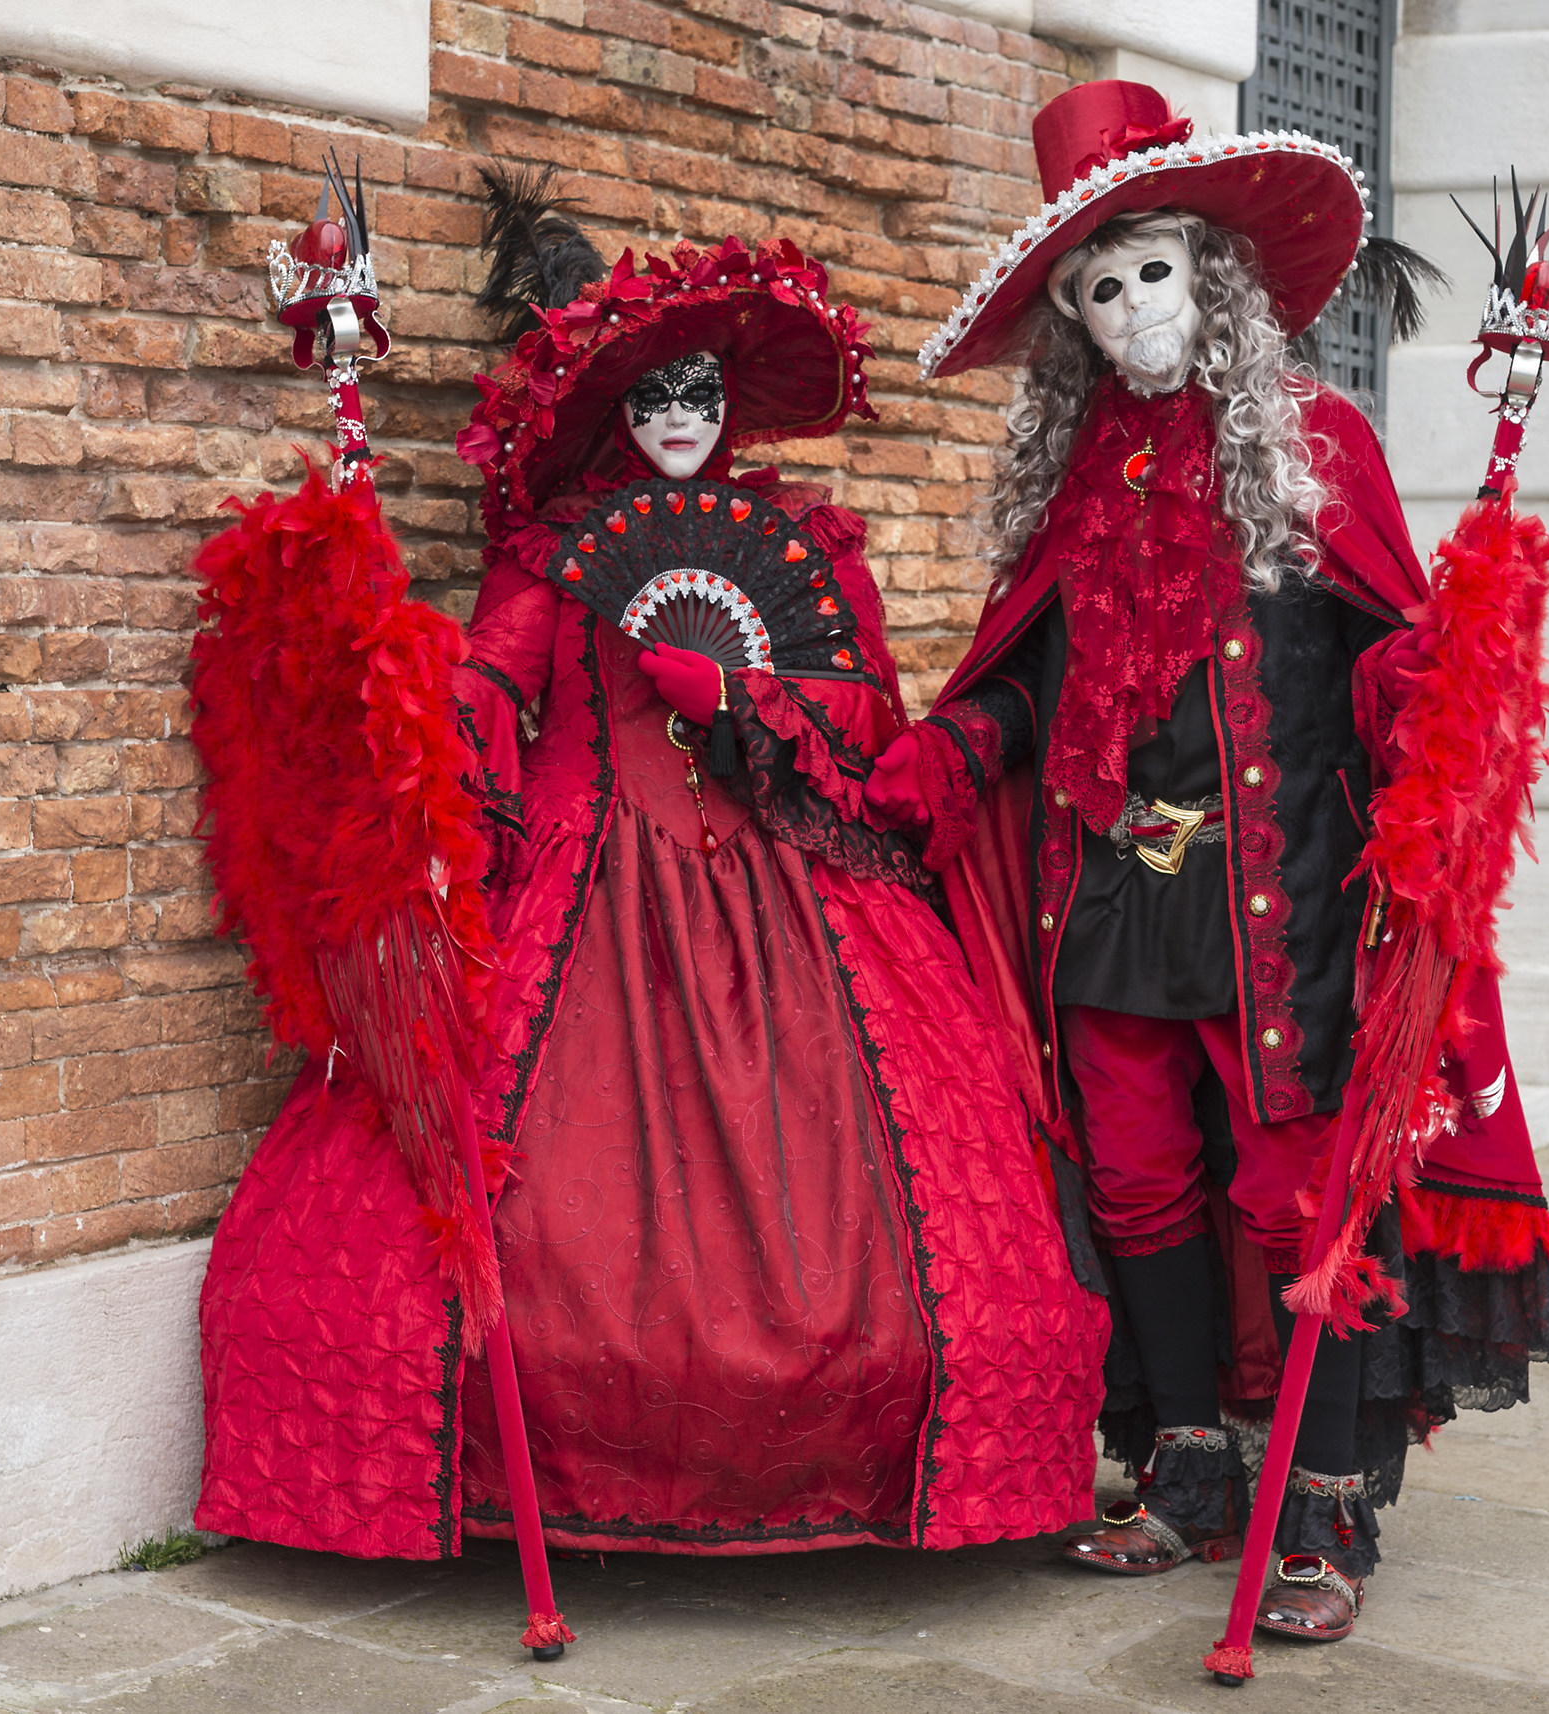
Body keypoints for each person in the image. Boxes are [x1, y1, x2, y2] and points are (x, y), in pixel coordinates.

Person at [193, 173, 1108, 1565]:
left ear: (730, 405)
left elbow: (860, 719)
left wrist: (743, 699)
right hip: (584, 881)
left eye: (700, 393)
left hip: (793, 888)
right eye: (653, 397)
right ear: (616, 412)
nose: (679, 417)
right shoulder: (557, 557)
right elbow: (491, 692)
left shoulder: (805, 551)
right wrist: (398, 692)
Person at [872, 82, 1549, 1644]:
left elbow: (1385, 655)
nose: (1133, 305)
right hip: (1111, 891)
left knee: (1294, 1192)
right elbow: (1026, 676)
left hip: (1284, 891)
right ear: (1072, 323)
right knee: (1134, 1175)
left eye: (1152, 269)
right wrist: (954, 746)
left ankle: (1322, 1509)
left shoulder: (1318, 443)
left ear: (1209, 274)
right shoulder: (1074, 479)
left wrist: (1452, 673)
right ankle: (1188, 1469)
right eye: (1098, 285)